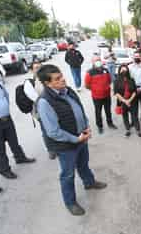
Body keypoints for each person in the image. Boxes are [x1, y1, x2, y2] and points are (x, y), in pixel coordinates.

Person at [36, 64, 107, 215]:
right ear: (47, 83)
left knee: (83, 164)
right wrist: (75, 139)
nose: (63, 80)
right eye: (57, 79)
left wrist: (86, 126)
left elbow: (79, 109)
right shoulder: (44, 102)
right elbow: (53, 131)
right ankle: (70, 202)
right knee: (67, 174)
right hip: (66, 146)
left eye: (61, 76)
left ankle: (89, 182)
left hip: (81, 137)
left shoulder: (68, 91)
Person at [23, 59, 57, 160]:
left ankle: (58, 145)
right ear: (32, 70)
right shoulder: (29, 83)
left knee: (56, 127)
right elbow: (36, 98)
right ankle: (51, 150)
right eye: (36, 68)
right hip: (40, 111)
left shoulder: (47, 78)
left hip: (54, 108)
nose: (39, 69)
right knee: (46, 130)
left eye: (40, 67)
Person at [85, 56, 117, 134]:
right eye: (96, 60)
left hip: (106, 95)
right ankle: (100, 126)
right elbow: (87, 85)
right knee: (98, 112)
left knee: (108, 110)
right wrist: (95, 89)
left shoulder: (105, 70)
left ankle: (110, 123)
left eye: (99, 60)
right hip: (96, 96)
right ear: (92, 62)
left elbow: (109, 81)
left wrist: (105, 88)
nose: (98, 61)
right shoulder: (89, 72)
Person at [114, 65, 141, 138]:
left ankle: (138, 130)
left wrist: (129, 100)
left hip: (133, 101)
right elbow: (116, 93)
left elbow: (134, 91)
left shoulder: (132, 79)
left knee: (135, 116)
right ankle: (127, 130)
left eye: (125, 70)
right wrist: (125, 101)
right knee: (125, 116)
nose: (124, 72)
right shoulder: (116, 81)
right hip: (122, 101)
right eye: (122, 70)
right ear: (119, 71)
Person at [129, 51, 141, 126]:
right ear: (133, 57)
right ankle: (133, 120)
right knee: (133, 106)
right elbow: (128, 79)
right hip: (133, 89)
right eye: (135, 56)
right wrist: (133, 88)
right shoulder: (129, 67)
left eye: (138, 56)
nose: (137, 57)